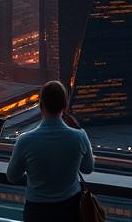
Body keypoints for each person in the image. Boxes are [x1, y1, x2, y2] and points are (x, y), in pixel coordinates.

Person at [6, 81, 94, 222]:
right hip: (70, 209)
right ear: (65, 106)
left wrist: (34, 174)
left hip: (37, 211)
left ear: (41, 105)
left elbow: (12, 176)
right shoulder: (79, 136)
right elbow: (88, 169)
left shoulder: (25, 140)